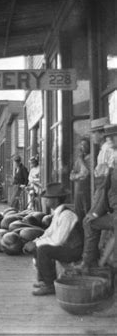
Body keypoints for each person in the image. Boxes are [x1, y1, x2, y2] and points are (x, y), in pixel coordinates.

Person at [23, 183, 83, 296]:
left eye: (48, 198)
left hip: (74, 250)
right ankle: (43, 280)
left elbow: (58, 240)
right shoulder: (58, 213)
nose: (45, 200)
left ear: (55, 200)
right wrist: (35, 241)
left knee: (43, 250)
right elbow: (49, 232)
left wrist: (37, 244)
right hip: (66, 246)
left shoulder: (67, 215)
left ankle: (50, 285)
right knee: (39, 245)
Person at [76, 123, 117, 271]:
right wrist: (96, 211)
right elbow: (107, 188)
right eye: (108, 137)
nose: (110, 140)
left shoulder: (110, 153)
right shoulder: (112, 158)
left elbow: (105, 186)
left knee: (90, 222)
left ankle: (93, 263)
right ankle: (89, 263)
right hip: (113, 209)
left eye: (113, 136)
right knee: (89, 221)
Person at [69, 137, 91, 221]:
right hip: (78, 189)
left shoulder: (90, 158)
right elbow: (71, 176)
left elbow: (86, 173)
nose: (83, 147)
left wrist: (82, 160)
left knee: (87, 211)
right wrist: (79, 175)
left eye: (85, 145)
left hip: (87, 189)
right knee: (78, 213)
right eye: (81, 145)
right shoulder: (78, 160)